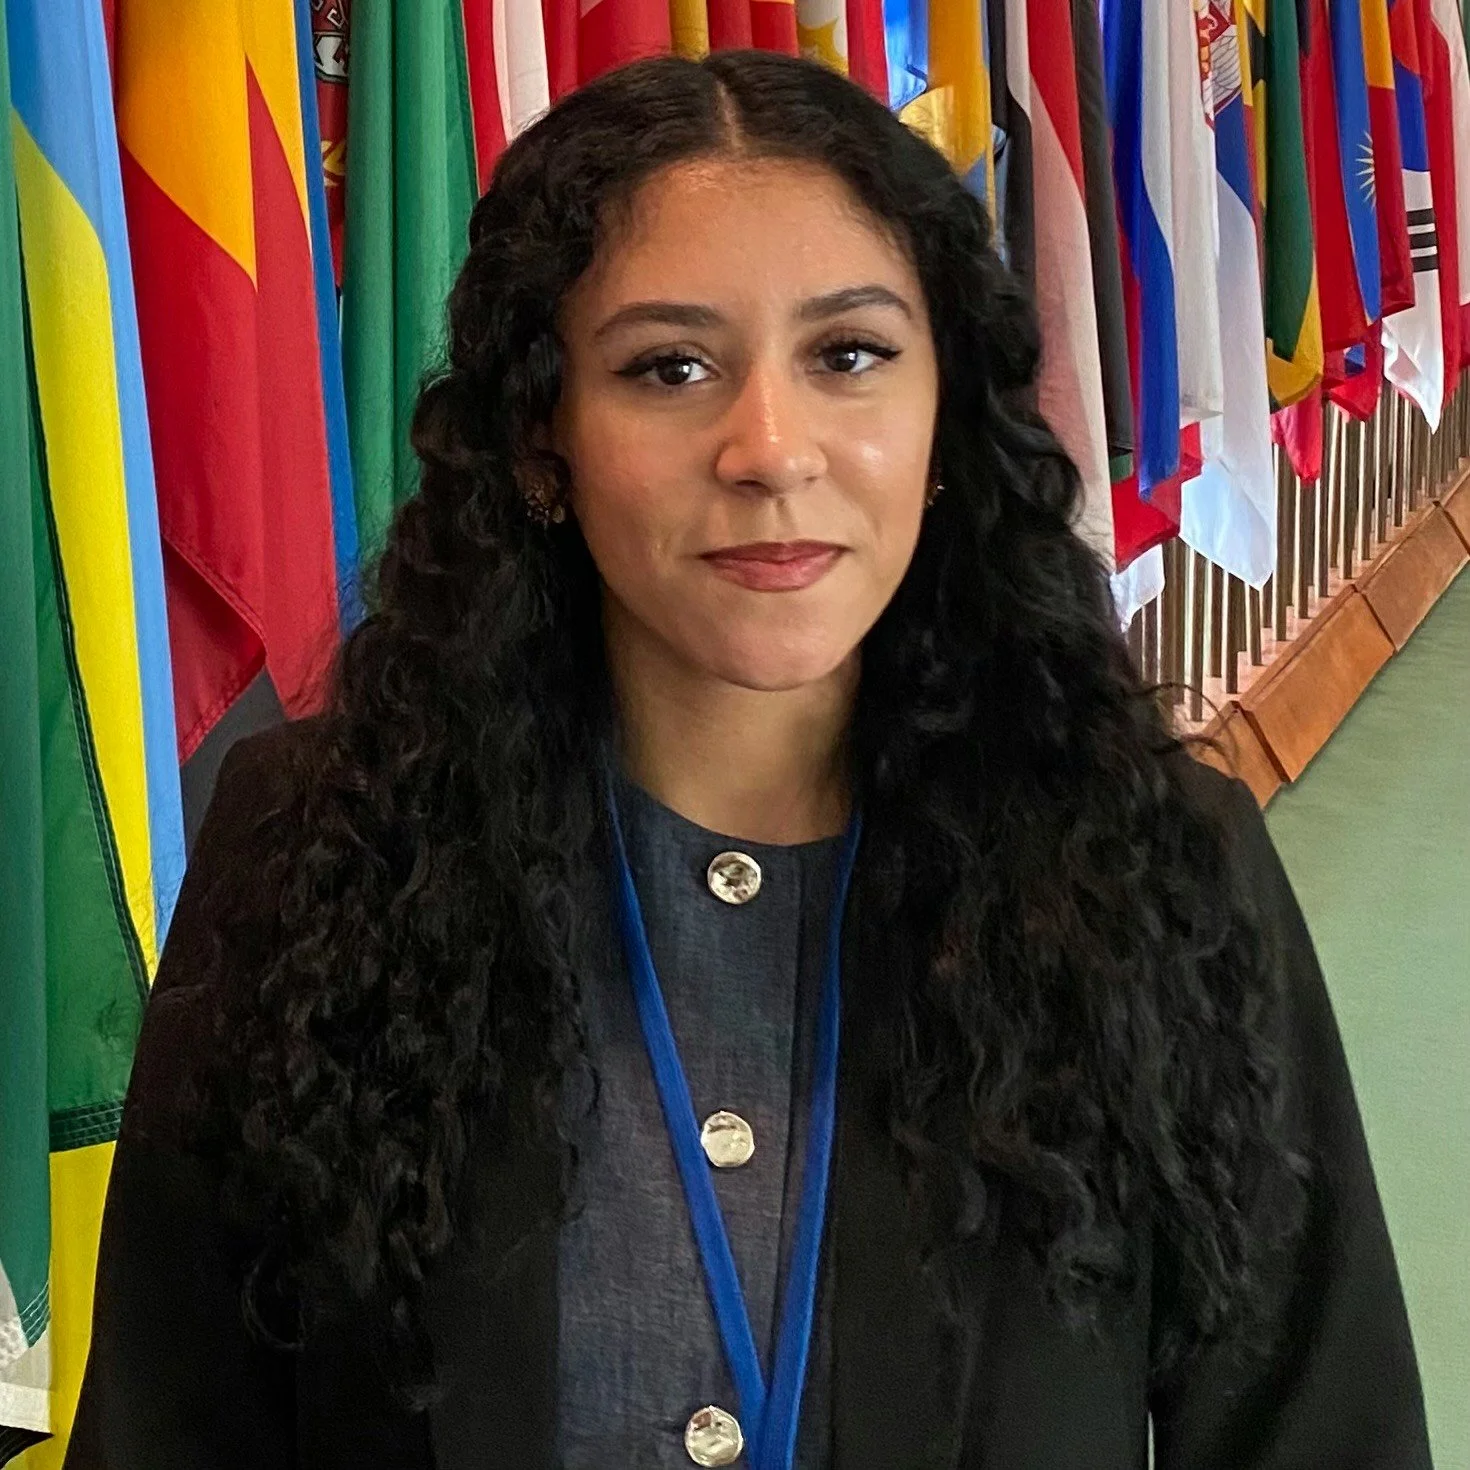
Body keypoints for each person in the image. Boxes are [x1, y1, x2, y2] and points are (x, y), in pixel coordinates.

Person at [64, 49, 1431, 1470]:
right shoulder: (317, 854)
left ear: (944, 418)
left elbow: (1322, 1434)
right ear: (541, 439)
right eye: (668, 368)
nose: (770, 450)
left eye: (848, 356)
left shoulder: (1159, 870)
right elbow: (170, 1433)